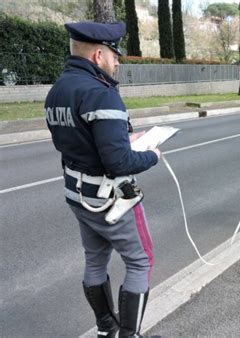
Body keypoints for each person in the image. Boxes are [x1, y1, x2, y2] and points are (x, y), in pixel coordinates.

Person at [44, 21, 161, 337]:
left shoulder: (57, 91)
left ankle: (105, 328)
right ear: (98, 55)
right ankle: (128, 334)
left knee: (95, 262)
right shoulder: (101, 94)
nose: (117, 61)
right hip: (110, 199)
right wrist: (152, 155)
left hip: (78, 196)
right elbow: (119, 162)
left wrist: (122, 138)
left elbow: (78, 142)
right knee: (141, 261)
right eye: (114, 55)